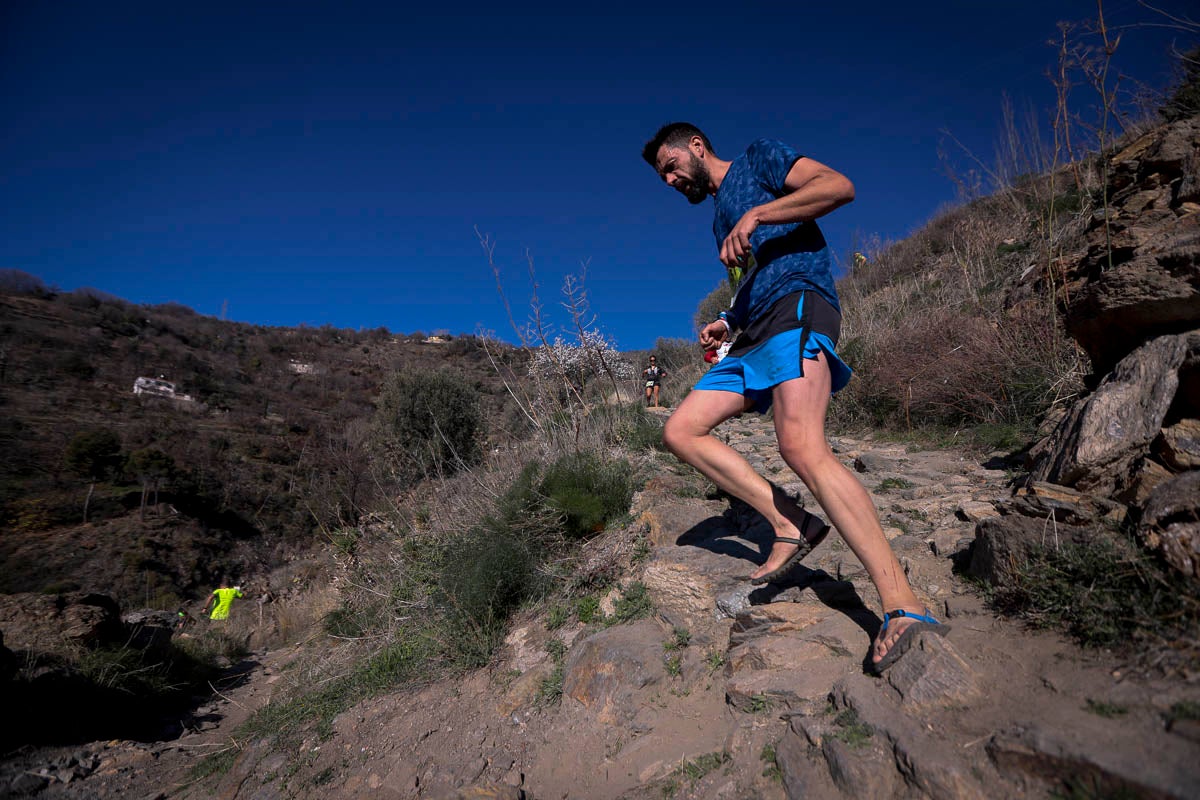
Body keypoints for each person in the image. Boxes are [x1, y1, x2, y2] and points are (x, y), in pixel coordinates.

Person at [642, 122, 946, 674]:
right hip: (753, 330)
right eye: (662, 176)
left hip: (799, 305)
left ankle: (903, 605)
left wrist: (758, 214)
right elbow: (754, 274)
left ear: (696, 147)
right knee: (681, 430)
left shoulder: (758, 159)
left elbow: (838, 186)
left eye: (670, 166)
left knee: (801, 446)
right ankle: (791, 523)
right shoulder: (719, 217)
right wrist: (728, 319)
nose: (668, 180)